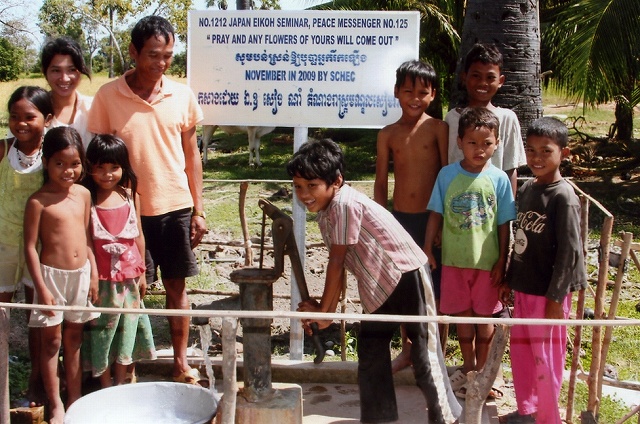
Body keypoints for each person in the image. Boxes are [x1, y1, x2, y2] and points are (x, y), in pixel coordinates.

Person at [288, 139, 461, 424]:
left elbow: (336, 262)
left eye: (312, 185)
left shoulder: (344, 204)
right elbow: (340, 264)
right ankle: (378, 418)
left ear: (336, 181)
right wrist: (325, 311)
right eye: (298, 186)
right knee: (370, 354)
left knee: (424, 352)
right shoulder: (327, 212)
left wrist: (323, 313)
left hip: (407, 275)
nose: (304, 194)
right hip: (378, 286)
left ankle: (447, 418)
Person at [87, 15, 207, 385]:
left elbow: (192, 156)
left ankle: (181, 364)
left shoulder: (182, 96)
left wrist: (199, 210)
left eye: (168, 55)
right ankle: (126, 370)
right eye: (153, 54)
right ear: (134, 51)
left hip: (174, 207)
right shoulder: (107, 96)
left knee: (176, 287)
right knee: (126, 291)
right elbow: (99, 156)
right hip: (124, 213)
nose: (161, 63)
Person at [499, 117, 587, 424]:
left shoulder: (563, 198)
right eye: (531, 150)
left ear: (564, 153)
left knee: (545, 357)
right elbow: (521, 239)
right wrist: (510, 279)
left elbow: (570, 252)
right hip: (526, 286)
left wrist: (555, 297)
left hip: (548, 292)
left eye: (546, 151)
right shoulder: (528, 189)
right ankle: (528, 410)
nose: (537, 158)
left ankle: (548, 418)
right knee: (523, 353)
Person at [425, 107, 515, 399]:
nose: (479, 149)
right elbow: (436, 213)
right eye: (472, 142)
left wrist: (502, 260)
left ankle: (485, 374)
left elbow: (504, 223)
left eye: (487, 143)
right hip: (454, 262)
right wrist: (427, 248)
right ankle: (468, 368)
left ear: (497, 143)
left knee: (484, 319)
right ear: (459, 142)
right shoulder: (446, 175)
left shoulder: (499, 179)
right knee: (463, 319)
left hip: (487, 264)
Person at [373, 59, 447, 373]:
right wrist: (381, 224)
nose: (415, 98)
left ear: (433, 95)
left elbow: (446, 177)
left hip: (432, 220)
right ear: (396, 92)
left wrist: (442, 222)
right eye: (408, 91)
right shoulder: (387, 134)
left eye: (422, 92)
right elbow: (380, 183)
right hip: (399, 222)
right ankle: (408, 351)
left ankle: (436, 355)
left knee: (436, 290)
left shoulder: (439, 129)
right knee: (405, 288)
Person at [24, 126, 100, 424]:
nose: (68, 171)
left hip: (80, 276)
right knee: (51, 342)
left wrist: (93, 274)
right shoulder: (38, 201)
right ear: (46, 162)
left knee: (74, 339)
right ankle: (56, 403)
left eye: (75, 164)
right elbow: (30, 248)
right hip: (51, 279)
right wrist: (41, 289)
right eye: (60, 163)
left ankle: (75, 399)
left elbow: (87, 237)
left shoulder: (83, 194)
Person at [82, 134, 156, 388]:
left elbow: (139, 236)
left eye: (114, 167)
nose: (107, 174)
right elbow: (86, 241)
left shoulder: (130, 196)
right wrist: (92, 275)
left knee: (127, 328)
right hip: (102, 281)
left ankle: (122, 382)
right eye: (100, 168)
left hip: (129, 279)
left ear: (123, 167)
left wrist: (143, 272)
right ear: (89, 167)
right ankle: (105, 385)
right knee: (103, 331)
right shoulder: (87, 199)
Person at [0, 86, 53, 406]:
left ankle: (36, 382)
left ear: (47, 119)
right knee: (1, 312)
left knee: (37, 317)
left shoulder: (52, 155)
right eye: (14, 116)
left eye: (29, 117)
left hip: (39, 246)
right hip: (3, 244)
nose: (21, 123)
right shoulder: (3, 149)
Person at [445, 43, 526, 197]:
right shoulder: (452, 118)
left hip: (492, 205)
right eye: (476, 76)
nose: (483, 83)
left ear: (500, 80)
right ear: (464, 76)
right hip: (455, 203)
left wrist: (507, 207)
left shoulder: (507, 118)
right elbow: (446, 164)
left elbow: (510, 169)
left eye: (490, 77)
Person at [41, 37, 94, 148]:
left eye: (72, 70)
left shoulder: (94, 107)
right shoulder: (33, 110)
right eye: (56, 70)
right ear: (45, 72)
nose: (64, 78)